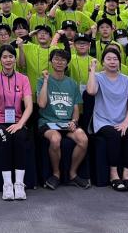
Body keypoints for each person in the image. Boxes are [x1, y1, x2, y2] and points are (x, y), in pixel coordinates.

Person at [86, 48, 128, 192]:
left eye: (115, 59)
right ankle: (113, 174)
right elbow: (91, 91)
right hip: (103, 120)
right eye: (108, 59)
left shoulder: (127, 80)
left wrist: (126, 123)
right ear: (103, 62)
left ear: (120, 62)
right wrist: (92, 70)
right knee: (113, 135)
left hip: (123, 119)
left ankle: (126, 175)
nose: (112, 62)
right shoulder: (98, 77)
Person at [37, 48, 90, 190]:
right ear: (51, 61)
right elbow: (41, 104)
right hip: (47, 122)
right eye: (56, 59)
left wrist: (74, 121)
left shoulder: (72, 83)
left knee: (83, 139)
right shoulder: (42, 81)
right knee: (55, 139)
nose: (59, 62)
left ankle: (73, 173)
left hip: (67, 122)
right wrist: (46, 81)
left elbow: (76, 108)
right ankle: (56, 174)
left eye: (63, 60)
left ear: (67, 63)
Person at [0, 44, 33, 201]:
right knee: (5, 137)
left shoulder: (23, 79)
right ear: (0, 60)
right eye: (4, 57)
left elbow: (29, 106)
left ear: (15, 59)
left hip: (17, 121)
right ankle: (7, 184)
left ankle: (19, 184)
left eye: (11, 57)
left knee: (19, 137)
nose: (8, 60)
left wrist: (20, 124)